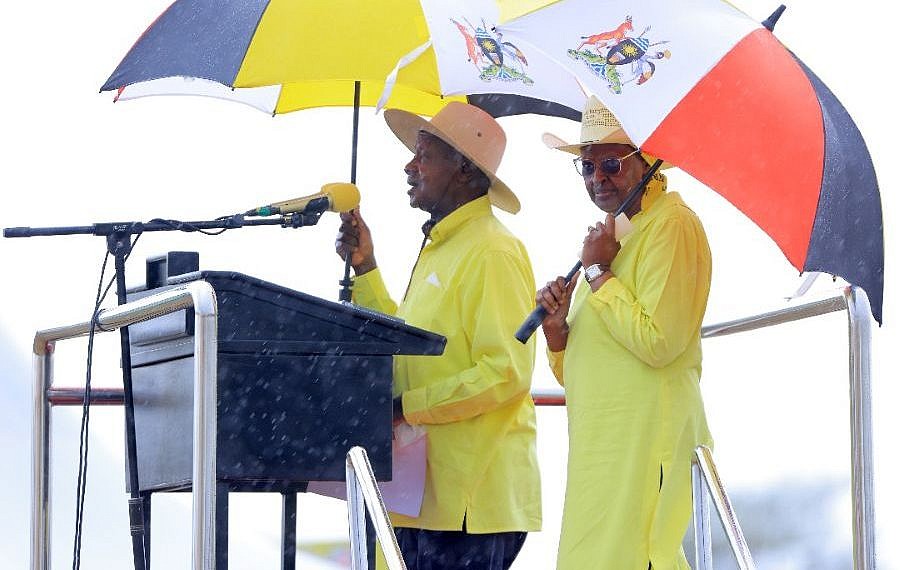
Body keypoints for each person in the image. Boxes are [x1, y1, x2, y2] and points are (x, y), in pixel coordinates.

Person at [335, 101, 541, 570]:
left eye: (424, 155)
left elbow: (505, 373)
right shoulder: (443, 246)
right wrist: (366, 267)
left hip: (471, 501)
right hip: (424, 494)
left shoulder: (493, 250)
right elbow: (407, 346)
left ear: (464, 169)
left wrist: (406, 407)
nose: (410, 166)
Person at [537, 96, 713, 570]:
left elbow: (659, 342)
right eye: (587, 166)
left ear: (646, 162)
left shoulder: (673, 224)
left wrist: (598, 274)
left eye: (611, 164)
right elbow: (581, 370)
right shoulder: (614, 236)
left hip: (645, 441)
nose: (598, 177)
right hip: (600, 446)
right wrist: (557, 333)